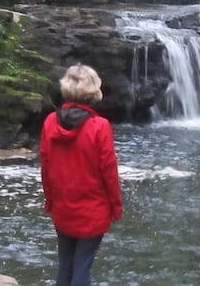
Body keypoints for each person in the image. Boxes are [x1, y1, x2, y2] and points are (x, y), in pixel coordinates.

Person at [40, 64, 123, 286]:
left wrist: (50, 201)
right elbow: (109, 172)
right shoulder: (99, 126)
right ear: (93, 90)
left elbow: (46, 167)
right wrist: (116, 207)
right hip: (93, 210)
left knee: (66, 265)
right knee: (82, 268)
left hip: (62, 208)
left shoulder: (49, 122)